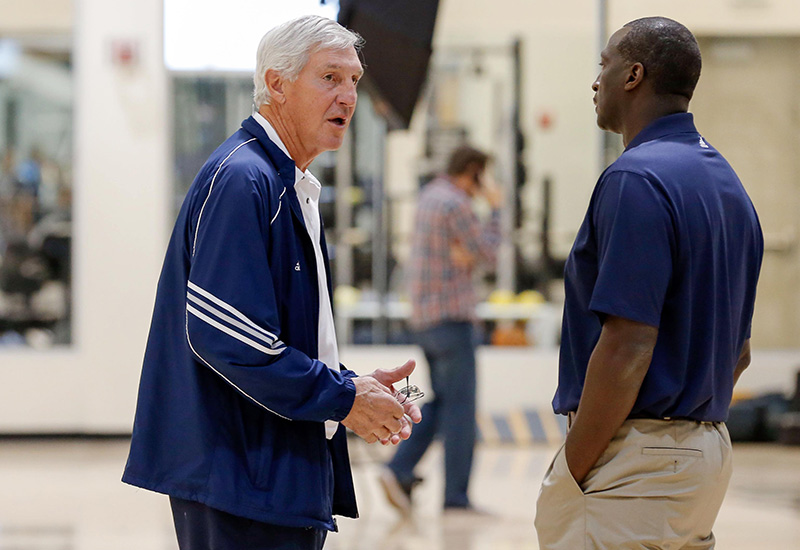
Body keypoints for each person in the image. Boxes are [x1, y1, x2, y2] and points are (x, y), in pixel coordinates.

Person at [122, 16, 421, 550]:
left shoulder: (287, 183)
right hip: (238, 472)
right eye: (330, 78)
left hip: (267, 467)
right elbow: (228, 337)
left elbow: (277, 331)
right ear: (277, 83)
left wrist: (350, 383)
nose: (348, 96)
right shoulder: (245, 180)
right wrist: (344, 398)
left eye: (354, 80)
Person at [535, 17, 763, 549]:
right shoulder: (728, 185)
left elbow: (628, 347)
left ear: (633, 75)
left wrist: (572, 468)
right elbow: (740, 352)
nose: (597, 82)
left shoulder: (636, 178)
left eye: (604, 66)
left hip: (634, 464)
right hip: (703, 457)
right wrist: (687, 432)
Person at [379, 145, 501, 515]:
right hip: (452, 319)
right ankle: (456, 498)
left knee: (445, 402)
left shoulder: (430, 196)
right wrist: (495, 208)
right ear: (475, 172)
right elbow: (489, 253)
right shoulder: (456, 204)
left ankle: (398, 468)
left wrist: (465, 255)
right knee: (461, 411)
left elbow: (468, 254)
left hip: (425, 320)